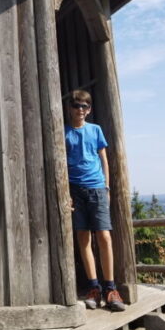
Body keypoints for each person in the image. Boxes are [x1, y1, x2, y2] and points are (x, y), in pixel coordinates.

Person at [65, 89, 125, 312]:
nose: (80, 110)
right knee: (83, 238)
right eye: (76, 105)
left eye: (85, 106)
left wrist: (107, 187)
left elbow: (104, 159)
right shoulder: (63, 132)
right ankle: (94, 288)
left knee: (104, 237)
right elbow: (61, 163)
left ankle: (111, 288)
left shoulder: (96, 130)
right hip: (75, 189)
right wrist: (65, 193)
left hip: (97, 187)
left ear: (89, 109)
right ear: (69, 108)